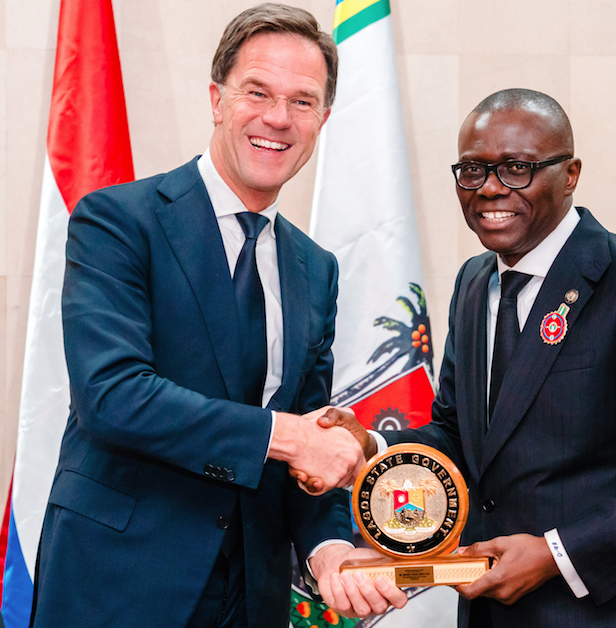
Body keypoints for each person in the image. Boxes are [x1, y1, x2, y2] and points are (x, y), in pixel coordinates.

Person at [303, 88, 616, 627]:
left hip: (606, 615)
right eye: (472, 169)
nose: (491, 188)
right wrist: (370, 446)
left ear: (570, 174)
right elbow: (462, 437)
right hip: (487, 613)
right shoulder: (475, 282)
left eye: (517, 168)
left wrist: (557, 554)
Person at [29, 5, 405, 628]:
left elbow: (308, 441)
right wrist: (289, 437)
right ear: (217, 99)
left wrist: (329, 547)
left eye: (303, 101)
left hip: (251, 596)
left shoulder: (317, 269)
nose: (278, 119)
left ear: (324, 119)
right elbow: (114, 396)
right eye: (258, 91)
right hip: (116, 584)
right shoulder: (117, 222)